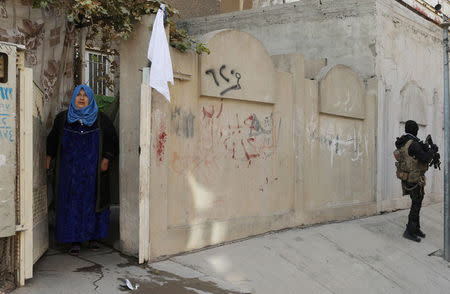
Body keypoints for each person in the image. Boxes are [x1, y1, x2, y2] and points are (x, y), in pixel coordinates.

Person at [46, 85, 118, 255]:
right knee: (71, 203)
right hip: (68, 173)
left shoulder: (101, 119)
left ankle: (93, 238)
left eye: (85, 95)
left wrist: (106, 159)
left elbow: (112, 140)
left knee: (92, 203)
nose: (81, 98)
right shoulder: (63, 119)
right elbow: (52, 140)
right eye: (78, 94)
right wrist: (47, 159)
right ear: (73, 98)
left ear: (90, 99)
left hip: (93, 174)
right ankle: (74, 240)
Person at [394, 120, 434, 242]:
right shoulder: (413, 144)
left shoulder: (402, 141)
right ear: (415, 130)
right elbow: (425, 158)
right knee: (416, 203)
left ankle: (416, 228)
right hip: (415, 178)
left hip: (407, 177)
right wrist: (432, 150)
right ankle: (410, 231)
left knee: (417, 201)